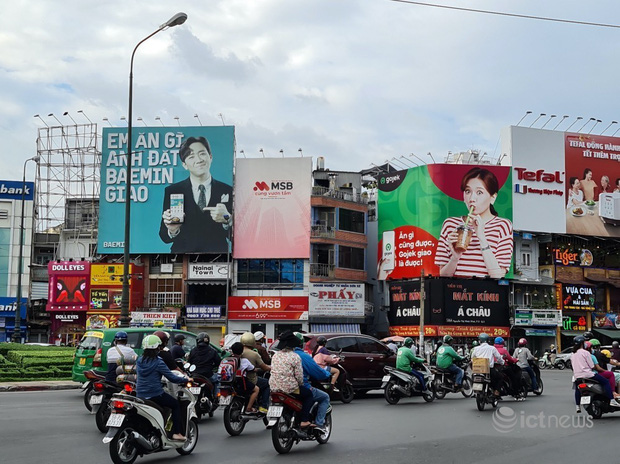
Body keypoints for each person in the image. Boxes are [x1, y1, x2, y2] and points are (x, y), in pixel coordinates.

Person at [435, 167, 513, 279]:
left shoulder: (503, 226)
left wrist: (481, 236)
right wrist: (455, 257)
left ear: (493, 197)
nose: (472, 198)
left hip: (487, 294)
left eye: (479, 192)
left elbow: (498, 276)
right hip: (455, 292)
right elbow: (443, 275)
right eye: (468, 191)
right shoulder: (450, 224)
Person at [159, 136, 233, 253]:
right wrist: (173, 230)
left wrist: (227, 219)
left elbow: (236, 238)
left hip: (217, 259)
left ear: (210, 157)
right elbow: (164, 236)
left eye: (202, 153)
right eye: (191, 156)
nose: (198, 160)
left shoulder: (228, 190)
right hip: (182, 257)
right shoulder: (173, 191)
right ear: (184, 164)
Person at [136, 334, 191, 441]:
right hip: (155, 394)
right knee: (175, 405)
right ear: (158, 347)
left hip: (140, 394)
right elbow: (172, 378)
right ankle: (177, 433)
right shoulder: (158, 362)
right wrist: (186, 379)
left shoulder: (139, 360)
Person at [269, 331, 314, 428]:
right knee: (309, 395)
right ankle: (304, 420)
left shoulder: (275, 355)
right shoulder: (295, 357)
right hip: (289, 388)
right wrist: (301, 384)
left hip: (273, 386)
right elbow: (299, 376)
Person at [293, 333, 331, 432]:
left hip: (279, 386)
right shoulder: (303, 356)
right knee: (324, 397)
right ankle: (319, 424)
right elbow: (317, 372)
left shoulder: (280, 355)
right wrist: (327, 374)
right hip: (298, 387)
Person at [571, 336, 618, 413]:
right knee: (605, 381)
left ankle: (577, 406)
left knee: (577, 389)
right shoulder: (586, 353)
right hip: (588, 374)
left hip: (577, 376)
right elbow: (592, 366)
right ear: (582, 343)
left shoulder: (573, 354)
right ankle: (612, 400)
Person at [240, 332, 271, 413]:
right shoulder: (254, 354)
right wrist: (271, 367)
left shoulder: (237, 352)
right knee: (267, 383)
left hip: (238, 379)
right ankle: (263, 406)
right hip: (251, 379)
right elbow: (264, 367)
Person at [471, 333, 504, 398]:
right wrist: (502, 362)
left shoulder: (476, 348)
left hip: (478, 370)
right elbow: (498, 358)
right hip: (489, 370)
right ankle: (497, 391)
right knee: (500, 377)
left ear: (479, 341)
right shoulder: (492, 348)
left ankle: (476, 392)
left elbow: (472, 358)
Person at [230, 342, 260, 412]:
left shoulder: (227, 359)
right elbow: (253, 369)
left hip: (230, 382)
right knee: (256, 389)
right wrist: (259, 369)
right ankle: (249, 407)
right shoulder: (244, 361)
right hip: (240, 383)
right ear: (242, 351)